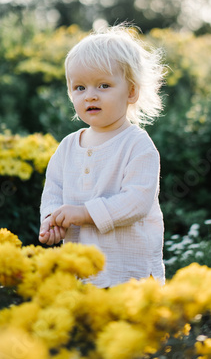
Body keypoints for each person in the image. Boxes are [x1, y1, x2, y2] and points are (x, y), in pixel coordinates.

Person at [39, 24, 165, 288]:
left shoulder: (136, 144)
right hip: (83, 273)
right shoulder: (68, 147)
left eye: (103, 85)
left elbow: (136, 201)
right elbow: (53, 192)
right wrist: (53, 220)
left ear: (131, 91)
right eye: (80, 87)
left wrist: (85, 213)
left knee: (131, 329)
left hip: (130, 272)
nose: (91, 95)